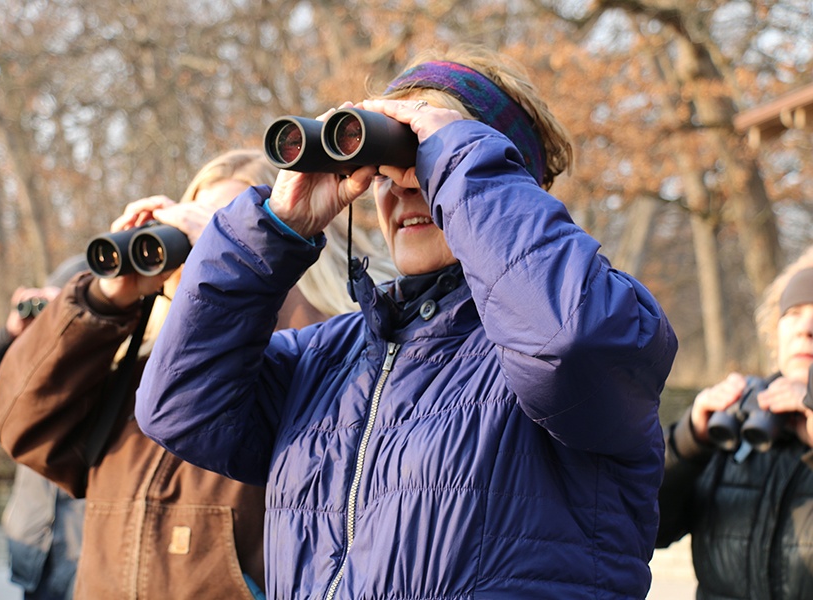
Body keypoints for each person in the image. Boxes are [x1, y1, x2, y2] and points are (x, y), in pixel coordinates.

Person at [135, 44, 678, 599]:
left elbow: (570, 341)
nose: (404, 185)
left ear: (503, 180)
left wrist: (453, 153)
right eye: (387, 167)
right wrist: (275, 228)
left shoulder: (596, 325)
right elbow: (180, 405)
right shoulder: (326, 359)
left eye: (427, 162)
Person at [0, 148, 397, 599]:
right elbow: (19, 422)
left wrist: (243, 264)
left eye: (234, 224)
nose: (207, 249)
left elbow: (336, 401)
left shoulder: (328, 354)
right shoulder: (137, 375)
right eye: (198, 230)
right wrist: (104, 300)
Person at [657, 248, 813, 599]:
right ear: (776, 329)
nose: (806, 328)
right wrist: (689, 441)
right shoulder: (740, 419)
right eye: (794, 313)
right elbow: (643, 529)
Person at [0, 254, 87, 600]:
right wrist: (10, 335)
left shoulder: (118, 372)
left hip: (89, 568)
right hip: (36, 560)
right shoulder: (33, 381)